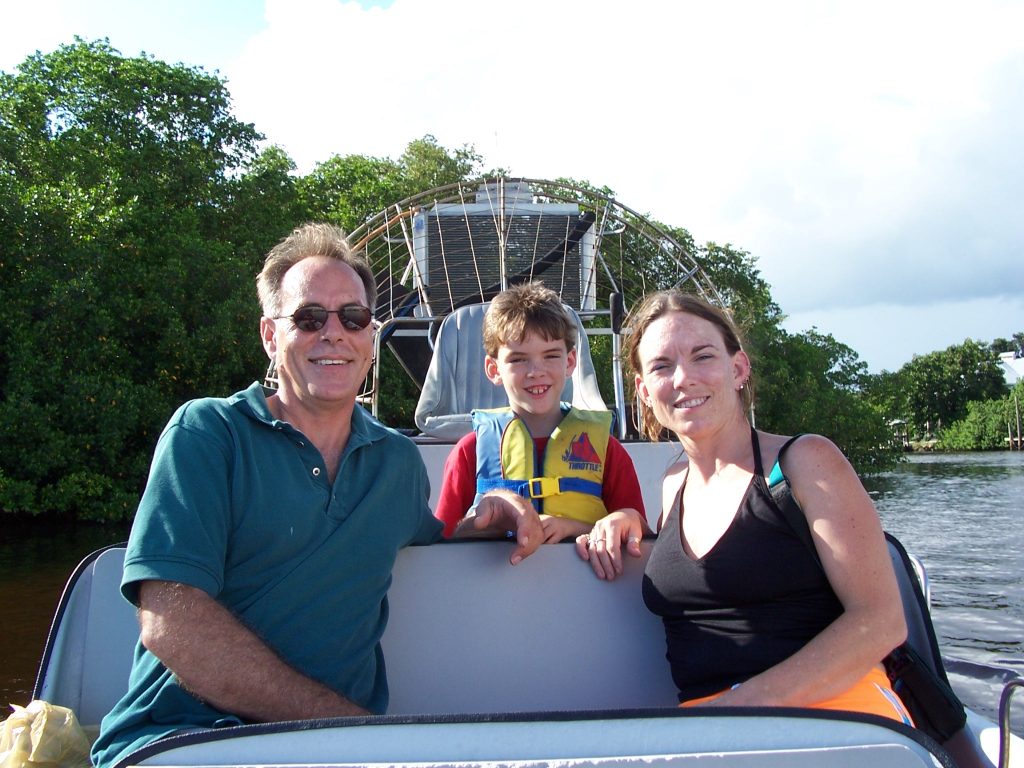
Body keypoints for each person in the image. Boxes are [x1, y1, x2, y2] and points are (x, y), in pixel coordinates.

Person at [91, 223, 539, 768]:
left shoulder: (397, 463)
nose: (334, 333)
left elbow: (430, 536)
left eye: (353, 317)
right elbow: (170, 621)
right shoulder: (208, 433)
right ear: (269, 335)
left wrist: (496, 512)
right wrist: (346, 728)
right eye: (308, 318)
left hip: (336, 748)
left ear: (370, 336)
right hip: (183, 740)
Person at [576, 290, 912, 724]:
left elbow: (882, 620)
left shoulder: (803, 463)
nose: (683, 378)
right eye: (662, 366)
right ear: (643, 390)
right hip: (711, 731)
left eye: (703, 356)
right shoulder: (671, 484)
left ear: (738, 368)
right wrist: (625, 518)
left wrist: (735, 709)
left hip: (839, 715)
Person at [434, 282, 647, 551]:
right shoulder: (468, 452)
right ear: (493, 369)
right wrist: (485, 524)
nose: (536, 371)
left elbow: (639, 538)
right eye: (518, 359)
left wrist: (577, 529)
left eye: (550, 356)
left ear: (570, 362)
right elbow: (439, 548)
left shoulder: (608, 451)